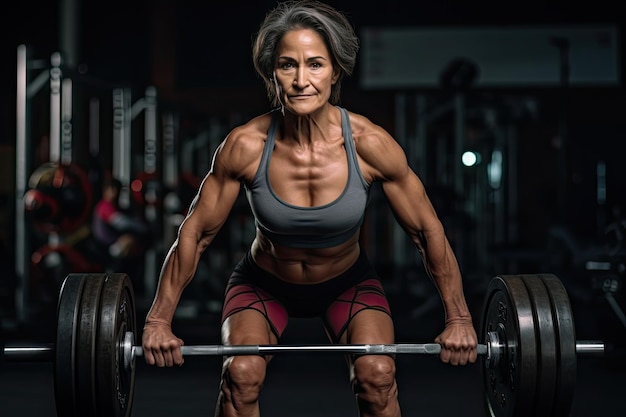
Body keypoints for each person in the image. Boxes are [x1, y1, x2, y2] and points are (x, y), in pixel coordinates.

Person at [142, 1, 478, 416]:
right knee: (240, 376)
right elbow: (196, 233)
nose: (302, 80)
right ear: (272, 73)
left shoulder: (369, 144)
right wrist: (158, 320)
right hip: (263, 284)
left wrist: (459, 318)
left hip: (347, 283)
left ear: (335, 71)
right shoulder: (245, 146)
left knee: (378, 376)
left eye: (315, 65)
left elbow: (427, 232)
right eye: (288, 65)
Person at [91, 176, 150, 272]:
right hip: (106, 248)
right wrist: (141, 227)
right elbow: (120, 222)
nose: (116, 194)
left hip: (111, 245)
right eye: (114, 189)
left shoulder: (114, 206)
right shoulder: (104, 206)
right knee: (129, 241)